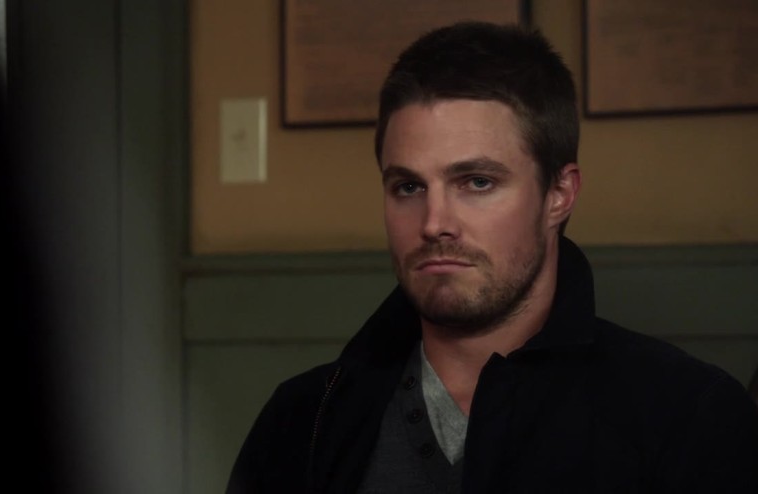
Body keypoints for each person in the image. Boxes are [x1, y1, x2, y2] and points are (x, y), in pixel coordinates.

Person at [227, 22, 758, 493]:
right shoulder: (302, 419)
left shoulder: (687, 416)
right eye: (408, 187)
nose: (434, 222)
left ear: (559, 194)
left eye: (477, 182)